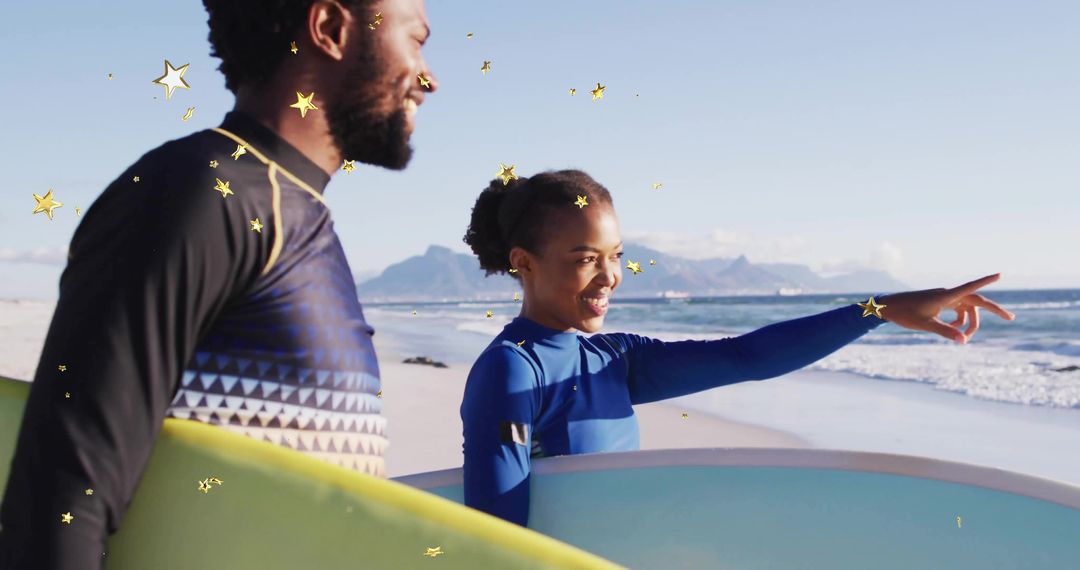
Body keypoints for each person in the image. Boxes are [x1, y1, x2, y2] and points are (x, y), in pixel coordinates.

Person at [0, 0, 438, 567]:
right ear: (330, 29)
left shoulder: (294, 216)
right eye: (416, 40)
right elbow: (60, 504)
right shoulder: (202, 194)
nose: (429, 77)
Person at [458, 169, 1016, 527]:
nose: (610, 276)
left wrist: (879, 309)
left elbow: (747, 357)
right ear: (523, 262)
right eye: (585, 259)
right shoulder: (512, 372)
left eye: (616, 255)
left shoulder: (613, 359)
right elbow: (494, 536)